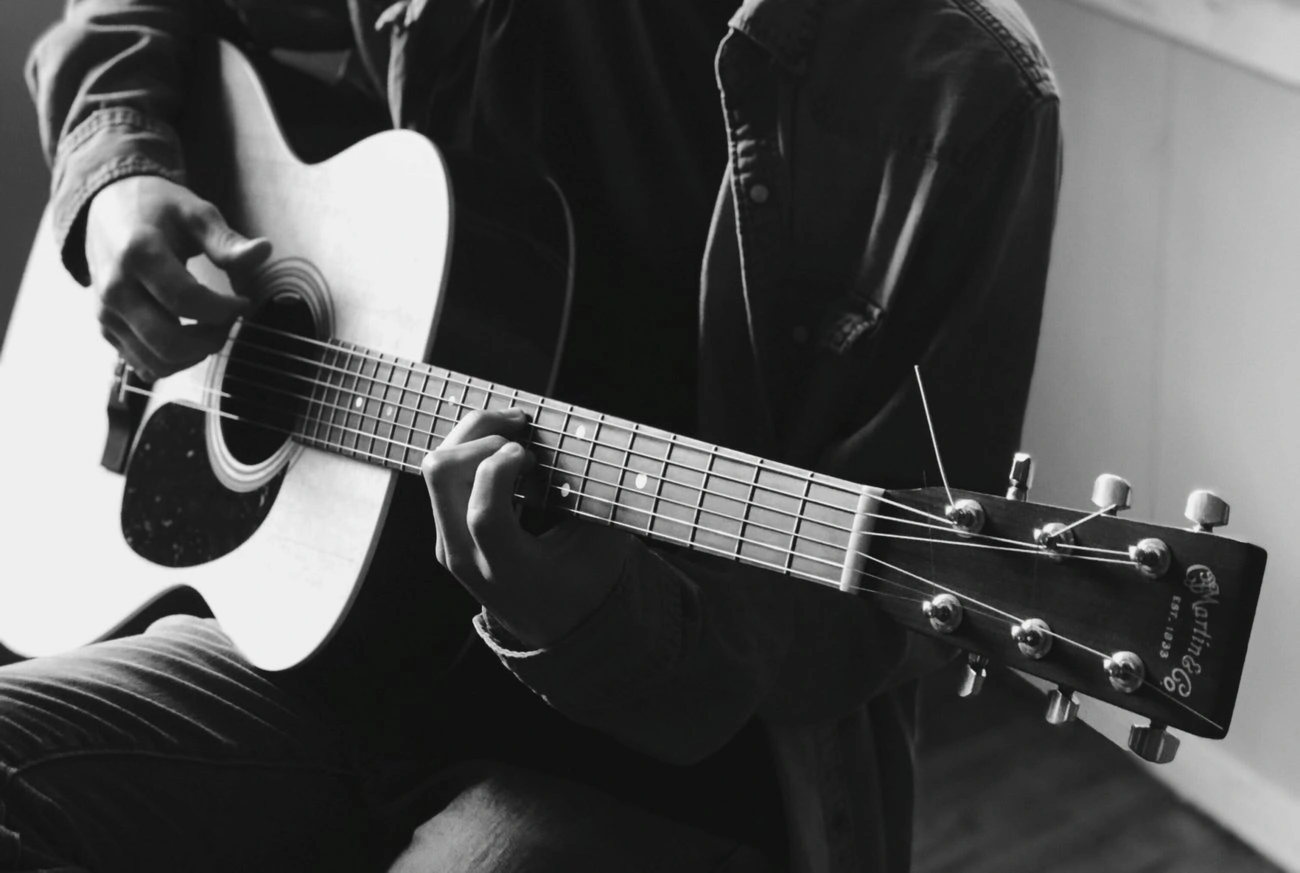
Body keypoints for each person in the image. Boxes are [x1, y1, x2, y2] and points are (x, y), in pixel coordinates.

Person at [7, 0, 1061, 870]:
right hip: (321, 641)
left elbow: (870, 615)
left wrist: (595, 620)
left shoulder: (961, 87)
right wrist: (118, 183)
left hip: (653, 768)